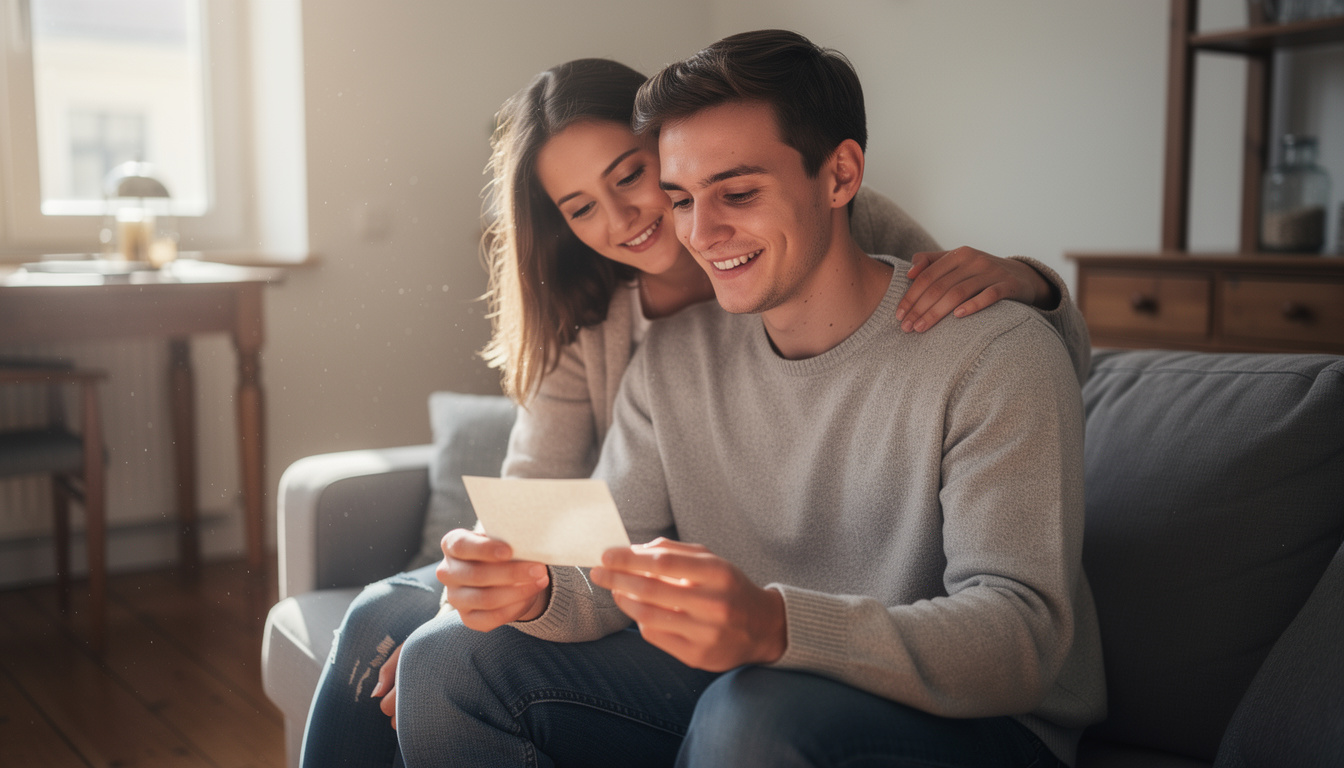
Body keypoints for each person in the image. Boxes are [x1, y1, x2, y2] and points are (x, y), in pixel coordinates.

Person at [299, 53, 1091, 767]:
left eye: (734, 192)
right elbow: (587, 535)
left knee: (751, 715)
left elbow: (1020, 631)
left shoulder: (979, 340)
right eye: (679, 198)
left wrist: (1034, 285)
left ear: (842, 178)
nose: (696, 229)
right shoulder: (638, 343)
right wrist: (526, 587)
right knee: (426, 645)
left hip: (962, 715)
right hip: (750, 658)